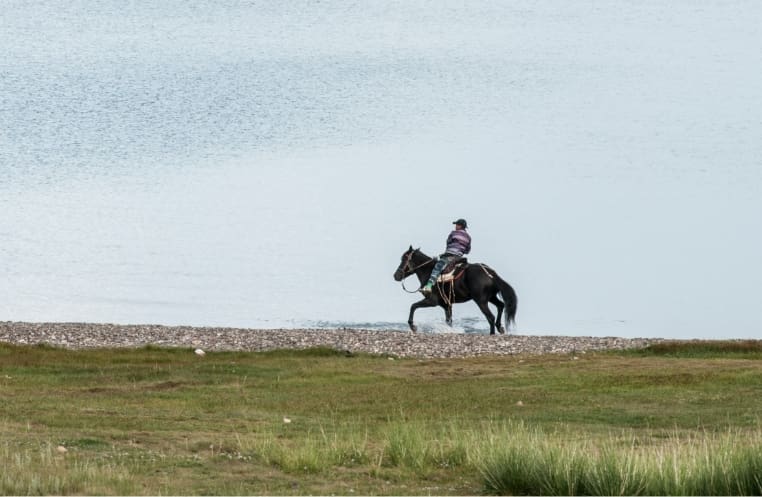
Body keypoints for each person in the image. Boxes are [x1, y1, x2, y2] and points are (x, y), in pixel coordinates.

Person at [421, 219, 471, 295]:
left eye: (457, 224)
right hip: (459, 258)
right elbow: (467, 251)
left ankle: (429, 286)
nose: (455, 226)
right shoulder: (468, 237)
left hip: (450, 255)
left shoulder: (454, 233)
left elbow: (448, 242)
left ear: (460, 226)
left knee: (438, 266)